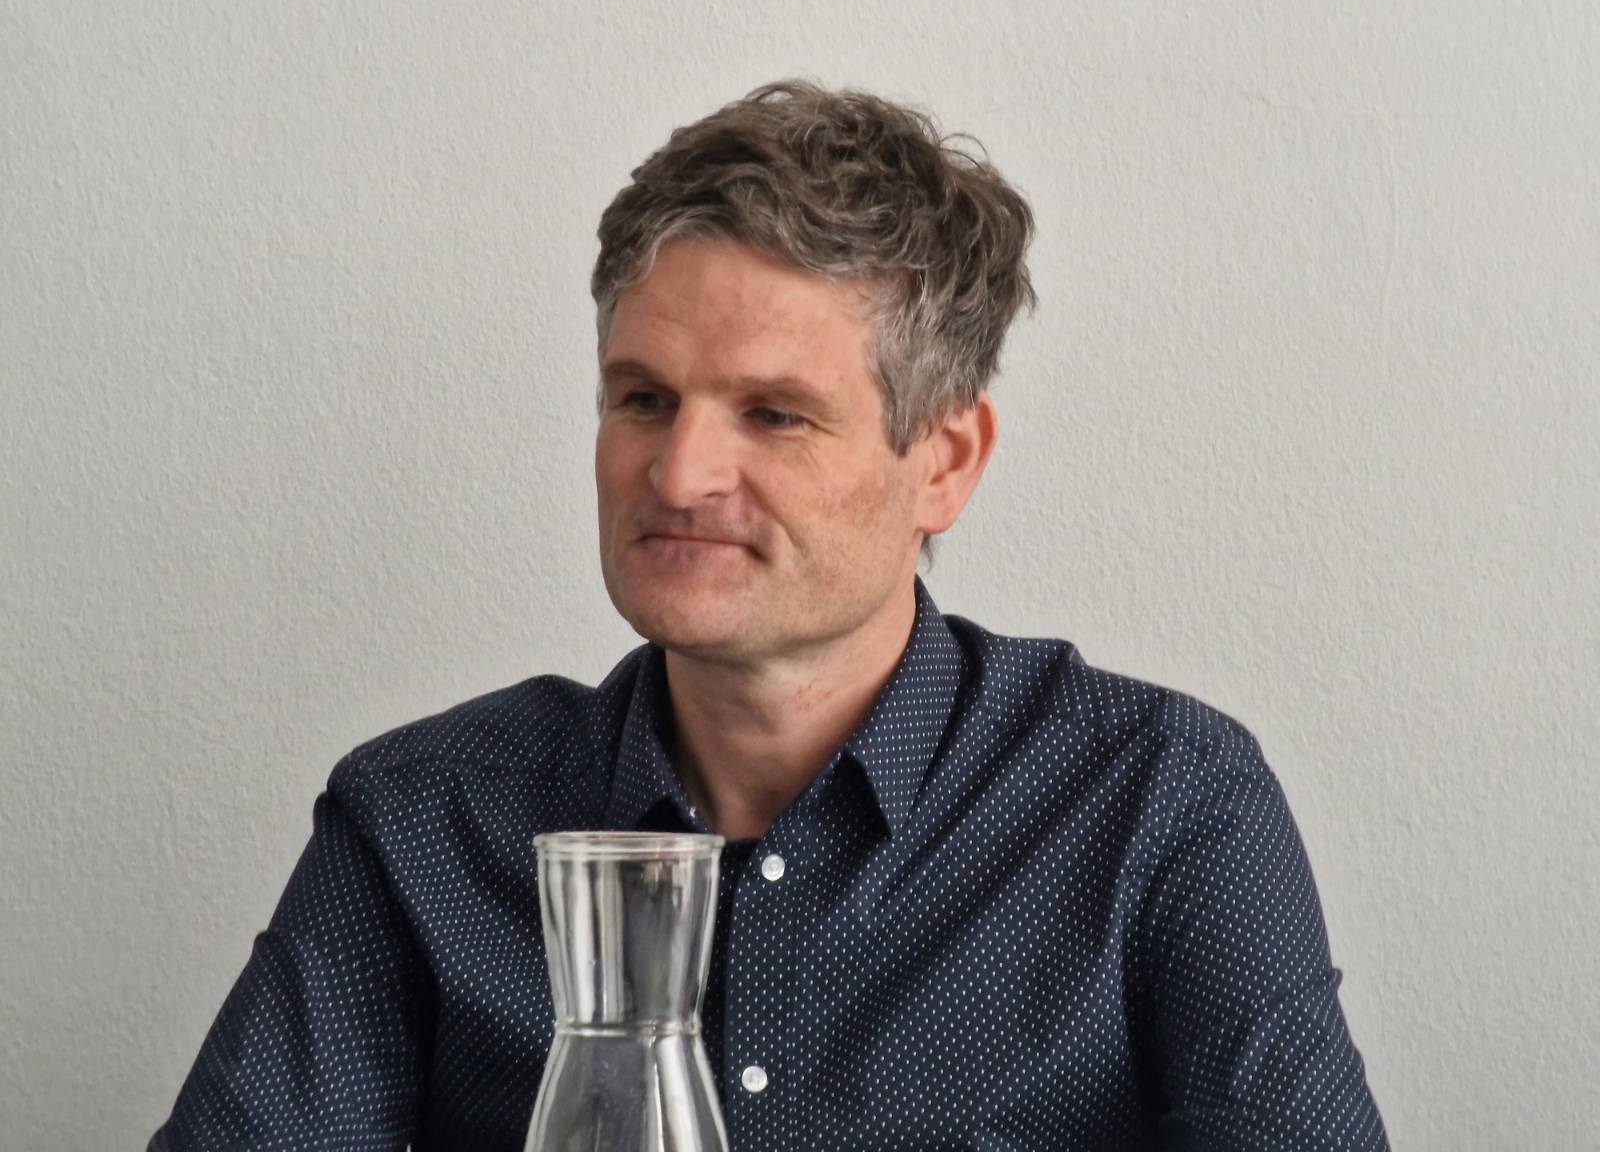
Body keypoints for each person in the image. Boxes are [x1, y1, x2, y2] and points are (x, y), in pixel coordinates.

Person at [150, 81, 1387, 1150]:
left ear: (944, 462)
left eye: (774, 415)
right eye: (644, 399)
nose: (679, 474)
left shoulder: (1159, 801)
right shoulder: (426, 819)